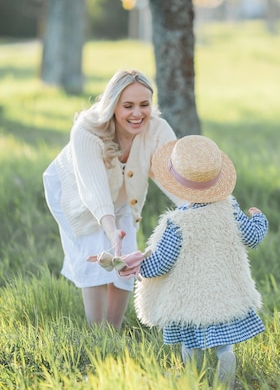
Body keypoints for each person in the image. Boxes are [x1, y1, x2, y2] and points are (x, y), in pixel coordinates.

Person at [121, 135, 268, 389]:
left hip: (189, 297)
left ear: (179, 184)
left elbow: (161, 263)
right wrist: (259, 219)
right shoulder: (229, 209)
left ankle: (193, 376)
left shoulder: (177, 223)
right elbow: (253, 237)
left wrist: (138, 266)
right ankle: (226, 358)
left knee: (190, 341)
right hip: (225, 292)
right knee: (224, 340)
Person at [43, 68, 180, 330]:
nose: (137, 113)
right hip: (76, 194)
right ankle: (97, 331)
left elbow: (174, 175)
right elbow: (92, 190)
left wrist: (198, 207)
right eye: (128, 106)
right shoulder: (86, 130)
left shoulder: (157, 129)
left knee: (126, 256)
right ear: (112, 106)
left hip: (121, 196)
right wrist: (110, 228)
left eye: (144, 104)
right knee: (97, 251)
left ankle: (112, 329)